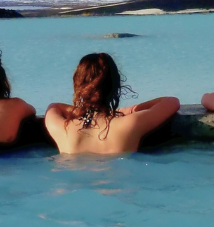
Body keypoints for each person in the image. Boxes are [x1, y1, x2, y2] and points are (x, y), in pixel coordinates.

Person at [44, 53, 180, 155]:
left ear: (77, 84)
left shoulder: (61, 129)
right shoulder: (130, 124)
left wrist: (82, 110)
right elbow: (172, 102)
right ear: (115, 86)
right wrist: (130, 110)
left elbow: (54, 106)